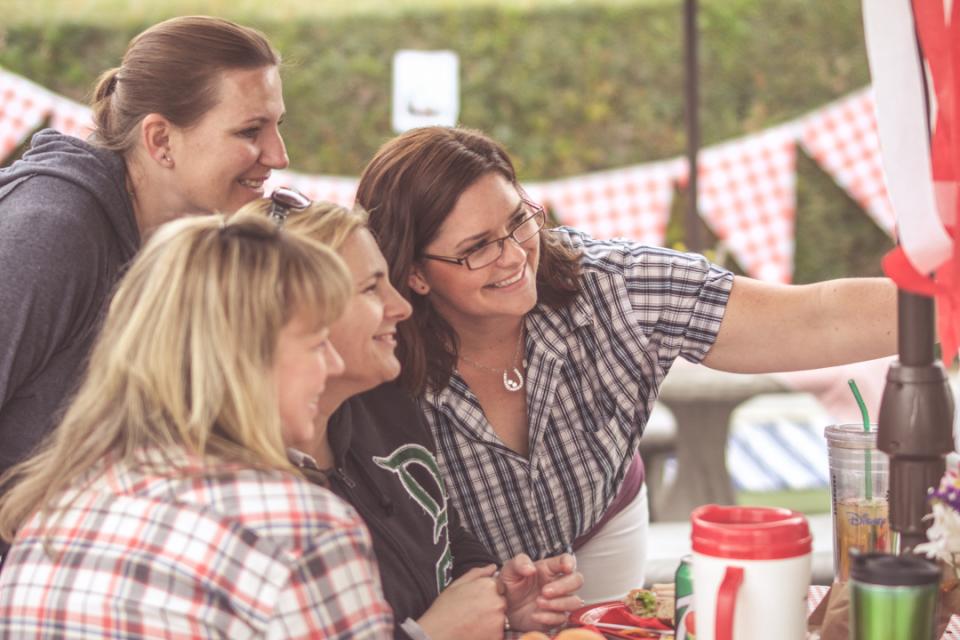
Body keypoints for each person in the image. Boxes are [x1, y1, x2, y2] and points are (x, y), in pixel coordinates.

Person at [355, 126, 897, 602]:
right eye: (477, 248)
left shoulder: (614, 286)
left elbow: (813, 317)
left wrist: (935, 303)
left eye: (519, 221)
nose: (516, 255)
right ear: (415, 273)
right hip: (455, 575)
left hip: (600, 526)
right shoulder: (377, 352)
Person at [0, 211, 395, 638]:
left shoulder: (51, 516)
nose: (333, 363)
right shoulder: (301, 531)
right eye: (318, 343)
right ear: (245, 357)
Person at [254, 197, 584, 639]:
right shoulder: (245, 494)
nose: (401, 307)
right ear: (299, 316)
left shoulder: (386, 405)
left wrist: (501, 602)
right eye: (372, 289)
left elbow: (443, 536)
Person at [0, 15, 289, 490]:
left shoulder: (182, 243)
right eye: (250, 131)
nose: (279, 156)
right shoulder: (51, 232)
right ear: (160, 139)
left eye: (277, 126)